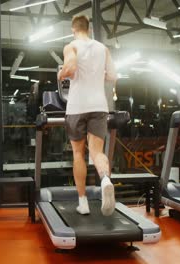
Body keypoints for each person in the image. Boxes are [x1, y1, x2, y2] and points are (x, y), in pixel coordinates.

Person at [58, 15, 117, 216]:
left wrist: (62, 74)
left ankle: (82, 202)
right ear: (88, 29)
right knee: (96, 152)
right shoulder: (103, 48)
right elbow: (113, 76)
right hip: (99, 105)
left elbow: (71, 67)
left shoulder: (71, 46)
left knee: (77, 154)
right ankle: (105, 180)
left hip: (77, 106)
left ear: (73, 29)